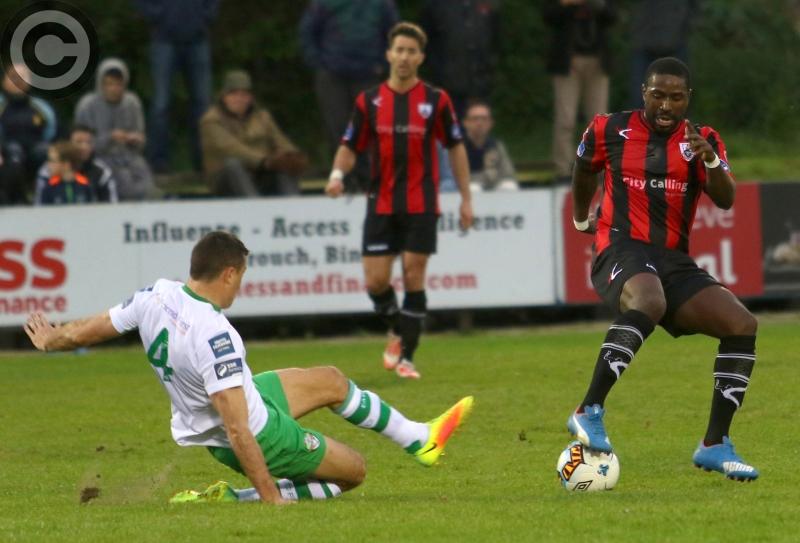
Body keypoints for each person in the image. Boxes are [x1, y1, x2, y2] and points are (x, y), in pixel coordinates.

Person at [23, 231, 474, 504]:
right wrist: (269, 497)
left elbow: (97, 326)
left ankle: (419, 439)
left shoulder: (156, 294)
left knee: (332, 380)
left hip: (248, 402)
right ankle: (238, 497)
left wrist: (52, 339)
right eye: (243, 276)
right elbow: (238, 429)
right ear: (230, 274)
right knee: (353, 473)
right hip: (256, 432)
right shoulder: (215, 335)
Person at [566, 57, 759, 482]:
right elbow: (583, 166)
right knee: (649, 299)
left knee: (741, 323)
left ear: (688, 98)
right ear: (644, 93)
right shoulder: (608, 128)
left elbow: (726, 199)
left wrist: (709, 161)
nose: (666, 106)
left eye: (676, 97)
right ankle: (588, 410)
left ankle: (714, 444)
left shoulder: (703, 139)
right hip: (619, 246)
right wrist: (582, 217)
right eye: (658, 96)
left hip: (672, 260)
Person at [325, 22, 474, 380]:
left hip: (422, 202)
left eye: (412, 51)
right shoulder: (369, 101)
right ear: (389, 54)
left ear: (420, 57)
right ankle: (396, 329)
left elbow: (456, 148)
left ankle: (407, 357)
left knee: (413, 272)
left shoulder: (436, 101)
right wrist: (336, 175)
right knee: (376, 282)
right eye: (400, 50)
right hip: (381, 202)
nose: (405, 57)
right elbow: (350, 145)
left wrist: (466, 199)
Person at [299, 0, 398, 192]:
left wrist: (382, 65)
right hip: (333, 75)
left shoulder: (382, 4)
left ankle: (372, 182)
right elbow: (307, 31)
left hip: (368, 74)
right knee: (338, 128)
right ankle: (344, 181)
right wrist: (319, 63)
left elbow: (394, 34)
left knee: (370, 128)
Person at [134, 0, 218, 173]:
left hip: (198, 39)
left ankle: (204, 162)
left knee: (203, 105)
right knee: (161, 104)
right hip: (164, 39)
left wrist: (206, 16)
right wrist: (156, 15)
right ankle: (158, 164)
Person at [542, 0, 616, 184]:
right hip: (568, 61)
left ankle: (596, 168)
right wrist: (566, 4)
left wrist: (597, 4)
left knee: (598, 120)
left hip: (597, 60)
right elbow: (548, 16)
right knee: (565, 118)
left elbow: (612, 17)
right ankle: (563, 170)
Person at [200, 70, 308, 197]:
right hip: (225, 179)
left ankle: (294, 208)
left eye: (244, 94)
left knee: (284, 166)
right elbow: (232, 149)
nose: (239, 99)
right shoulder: (211, 121)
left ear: (251, 98)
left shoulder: (262, 117)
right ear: (224, 97)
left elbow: (280, 140)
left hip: (260, 174)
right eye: (234, 94)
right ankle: (254, 208)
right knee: (233, 165)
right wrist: (265, 161)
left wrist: (291, 155)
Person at [74, 58, 158, 201]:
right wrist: (109, 137)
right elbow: (80, 144)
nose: (113, 89)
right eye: (109, 84)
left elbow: (141, 141)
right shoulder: (87, 105)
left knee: (147, 184)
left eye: (118, 84)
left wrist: (134, 139)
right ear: (101, 84)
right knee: (124, 183)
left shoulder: (132, 103)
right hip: (100, 157)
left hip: (130, 156)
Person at [420, 0, 500, 120]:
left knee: (475, 133)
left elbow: (495, 41)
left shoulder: (488, 4)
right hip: (446, 86)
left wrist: (487, 72)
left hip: (480, 87)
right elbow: (425, 42)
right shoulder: (435, 5)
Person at [0, 64, 58, 204]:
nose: (18, 81)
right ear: (4, 81)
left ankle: (44, 197)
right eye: (13, 77)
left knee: (45, 153)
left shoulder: (41, 107)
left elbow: (52, 133)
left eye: (22, 77)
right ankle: (15, 199)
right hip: (7, 152)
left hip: (35, 151)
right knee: (14, 154)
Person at [628, 0, 697, 108]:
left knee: (678, 98)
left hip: (675, 43)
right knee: (640, 99)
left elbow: (695, 8)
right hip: (644, 43)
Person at [34, 125, 118, 205]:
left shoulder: (102, 172)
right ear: (68, 143)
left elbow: (110, 206)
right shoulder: (47, 170)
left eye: (89, 142)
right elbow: (39, 206)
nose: (84, 146)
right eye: (79, 142)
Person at [461, 100, 518, 192]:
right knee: (473, 188)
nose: (479, 123)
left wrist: (490, 176)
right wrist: (487, 175)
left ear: (491, 123)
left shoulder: (496, 145)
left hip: (494, 186)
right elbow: (457, 178)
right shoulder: (458, 147)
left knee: (509, 186)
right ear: (465, 123)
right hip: (468, 191)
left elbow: (508, 174)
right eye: (475, 119)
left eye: (484, 119)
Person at [38, 141, 96, 205]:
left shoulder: (85, 185)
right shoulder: (49, 188)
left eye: (53, 161)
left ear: (66, 164)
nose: (48, 164)